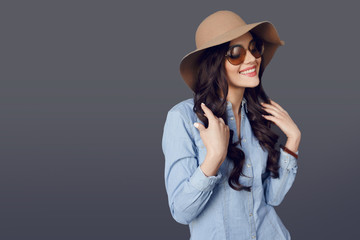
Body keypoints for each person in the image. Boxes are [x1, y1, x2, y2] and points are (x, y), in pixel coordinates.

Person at [161, 10, 301, 240]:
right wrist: (214, 158)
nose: (251, 59)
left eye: (254, 47)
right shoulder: (183, 118)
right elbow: (182, 211)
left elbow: (271, 198)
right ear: (214, 62)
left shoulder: (258, 115)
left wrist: (293, 142)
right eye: (236, 53)